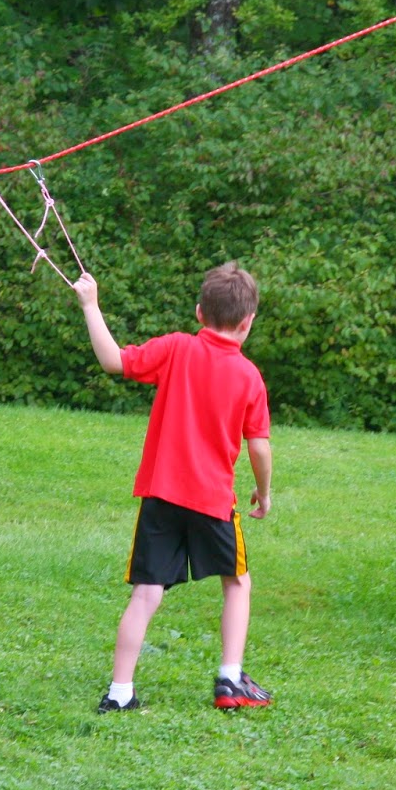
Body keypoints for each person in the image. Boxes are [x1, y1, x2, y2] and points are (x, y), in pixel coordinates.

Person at [72, 261, 273, 713]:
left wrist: (91, 304)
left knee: (147, 592)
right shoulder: (249, 377)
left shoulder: (177, 348)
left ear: (200, 313)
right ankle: (230, 680)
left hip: (160, 497)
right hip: (213, 502)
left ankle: (120, 693)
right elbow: (259, 447)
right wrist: (265, 490)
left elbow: (113, 360)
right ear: (248, 323)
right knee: (237, 581)